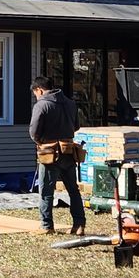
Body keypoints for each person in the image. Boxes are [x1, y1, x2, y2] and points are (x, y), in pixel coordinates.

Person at [29, 75, 84, 234]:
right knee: (73, 190)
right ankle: (79, 225)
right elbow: (76, 127)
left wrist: (41, 142)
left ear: (39, 90)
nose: (36, 97)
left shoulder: (42, 105)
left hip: (49, 153)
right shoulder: (71, 104)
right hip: (68, 151)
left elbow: (33, 132)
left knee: (46, 190)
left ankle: (46, 226)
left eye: (36, 94)